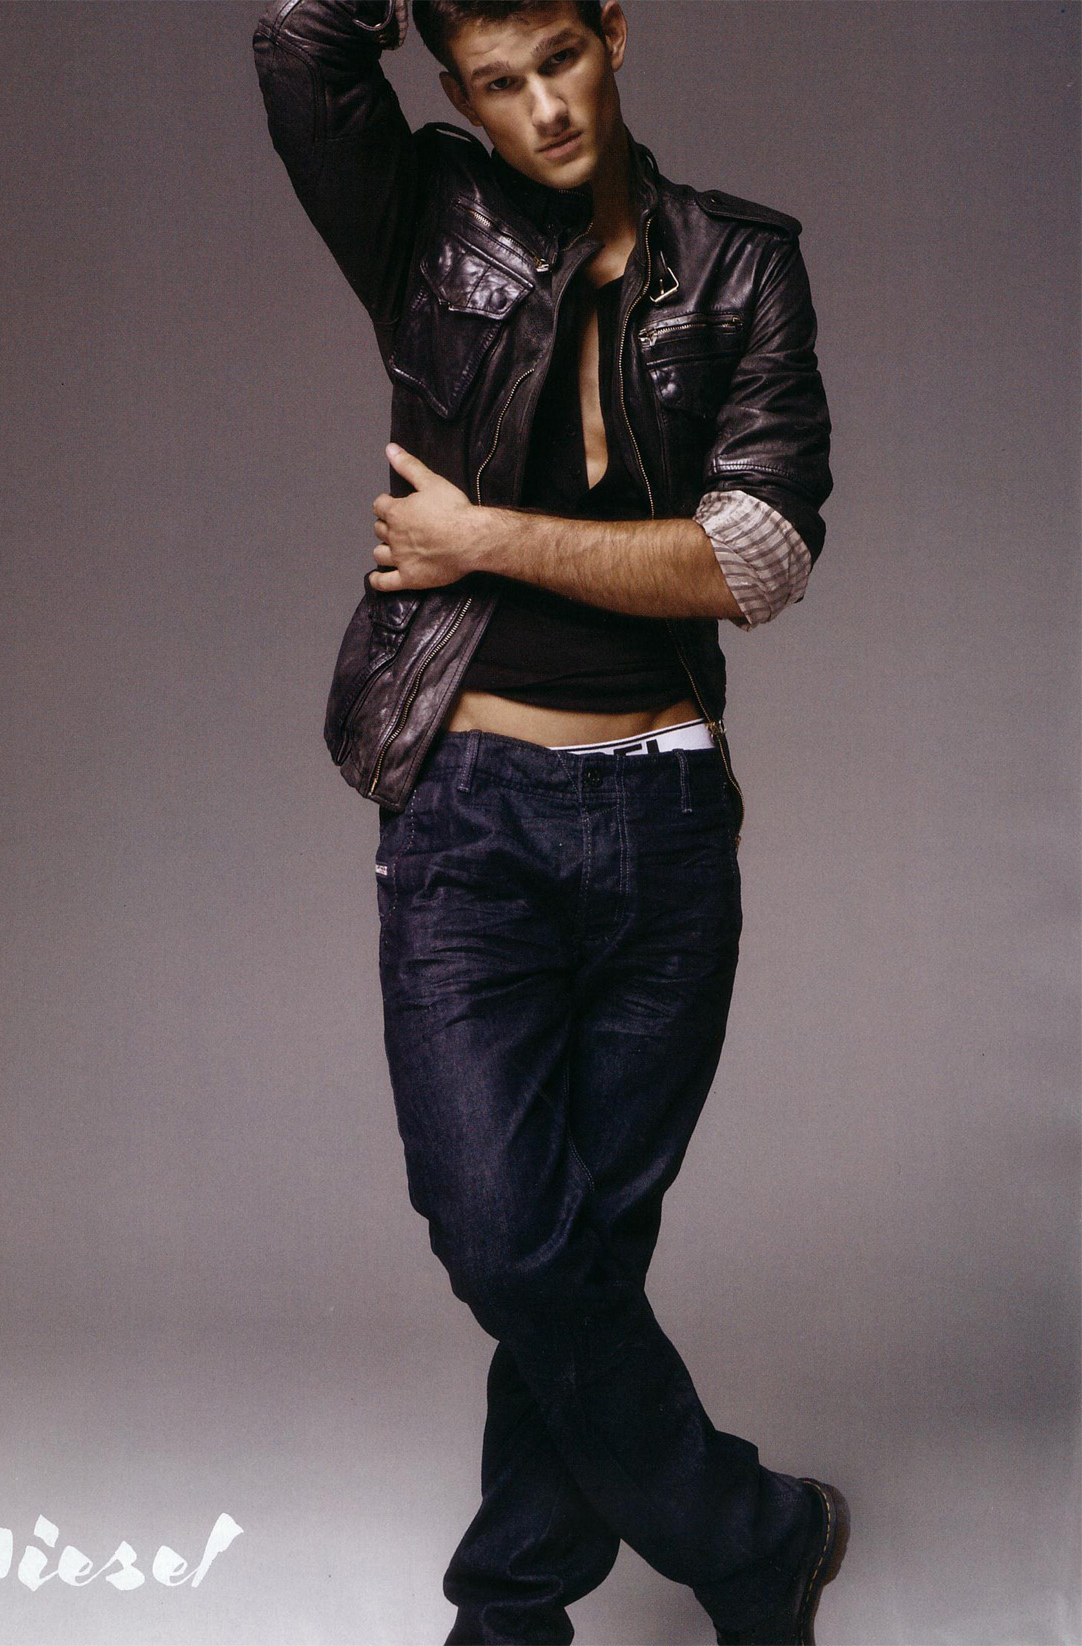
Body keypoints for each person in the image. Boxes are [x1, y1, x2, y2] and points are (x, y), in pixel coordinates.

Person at [252, 2, 849, 1641]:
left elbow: (755, 557)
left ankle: (511, 1616)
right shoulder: (421, 224)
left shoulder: (741, 266)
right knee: (510, 1233)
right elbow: (301, 45)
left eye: (562, 60)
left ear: (615, 35)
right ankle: (752, 1531)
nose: (544, 109)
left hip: (663, 820)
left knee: (587, 1247)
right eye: (499, 83)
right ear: (459, 90)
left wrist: (485, 538)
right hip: (472, 819)